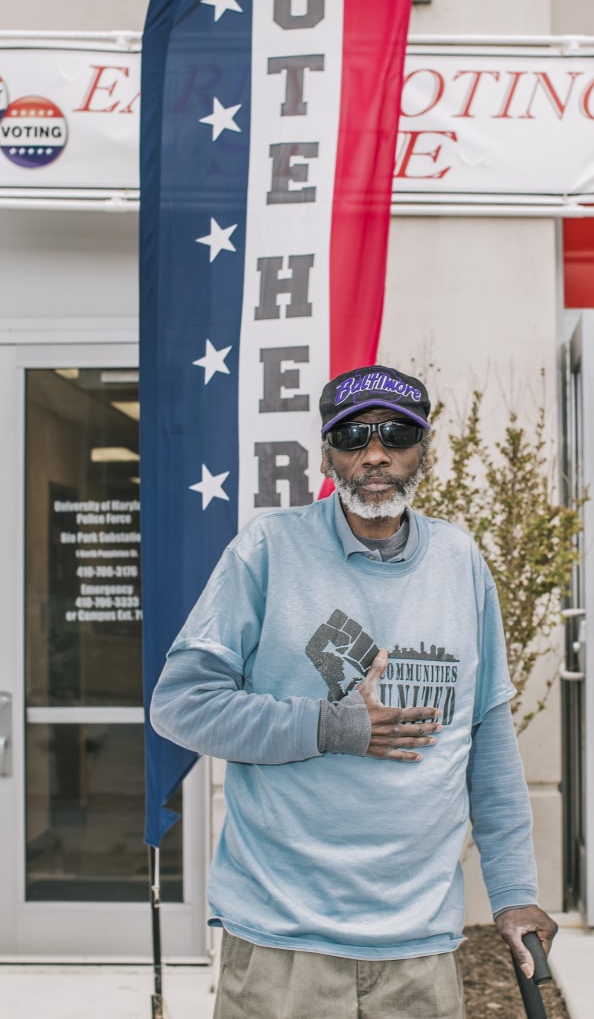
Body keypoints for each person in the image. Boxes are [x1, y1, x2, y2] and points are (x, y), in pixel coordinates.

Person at [151, 363, 557, 1019]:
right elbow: (181, 704)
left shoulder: (461, 561)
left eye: (395, 435)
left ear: (425, 449)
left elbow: (487, 736)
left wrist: (512, 892)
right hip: (281, 947)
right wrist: (332, 725)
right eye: (352, 436)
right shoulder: (268, 550)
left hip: (419, 949)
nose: (375, 453)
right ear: (327, 453)